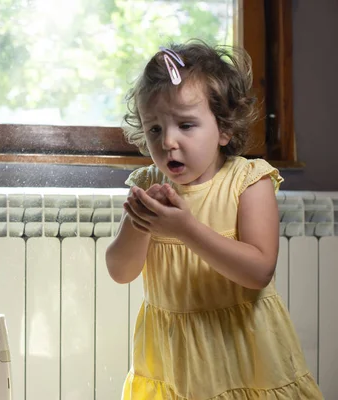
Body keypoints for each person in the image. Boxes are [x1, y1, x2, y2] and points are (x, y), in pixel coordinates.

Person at [105, 40, 323, 399]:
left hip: (242, 353)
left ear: (224, 129)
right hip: (172, 361)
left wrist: (186, 230)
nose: (168, 142)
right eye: (154, 129)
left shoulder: (249, 182)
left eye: (186, 125)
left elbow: (258, 271)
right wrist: (141, 223)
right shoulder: (148, 186)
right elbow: (120, 271)